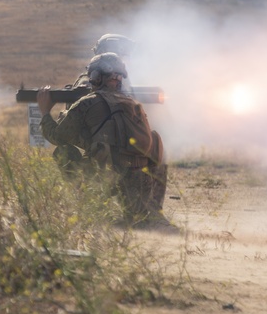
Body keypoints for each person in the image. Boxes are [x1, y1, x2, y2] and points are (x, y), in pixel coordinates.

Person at [37, 53, 173, 230]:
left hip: (107, 181)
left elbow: (56, 136)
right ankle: (153, 210)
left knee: (64, 151)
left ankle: (90, 207)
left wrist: (45, 112)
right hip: (140, 189)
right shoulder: (134, 105)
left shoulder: (87, 103)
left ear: (95, 77)